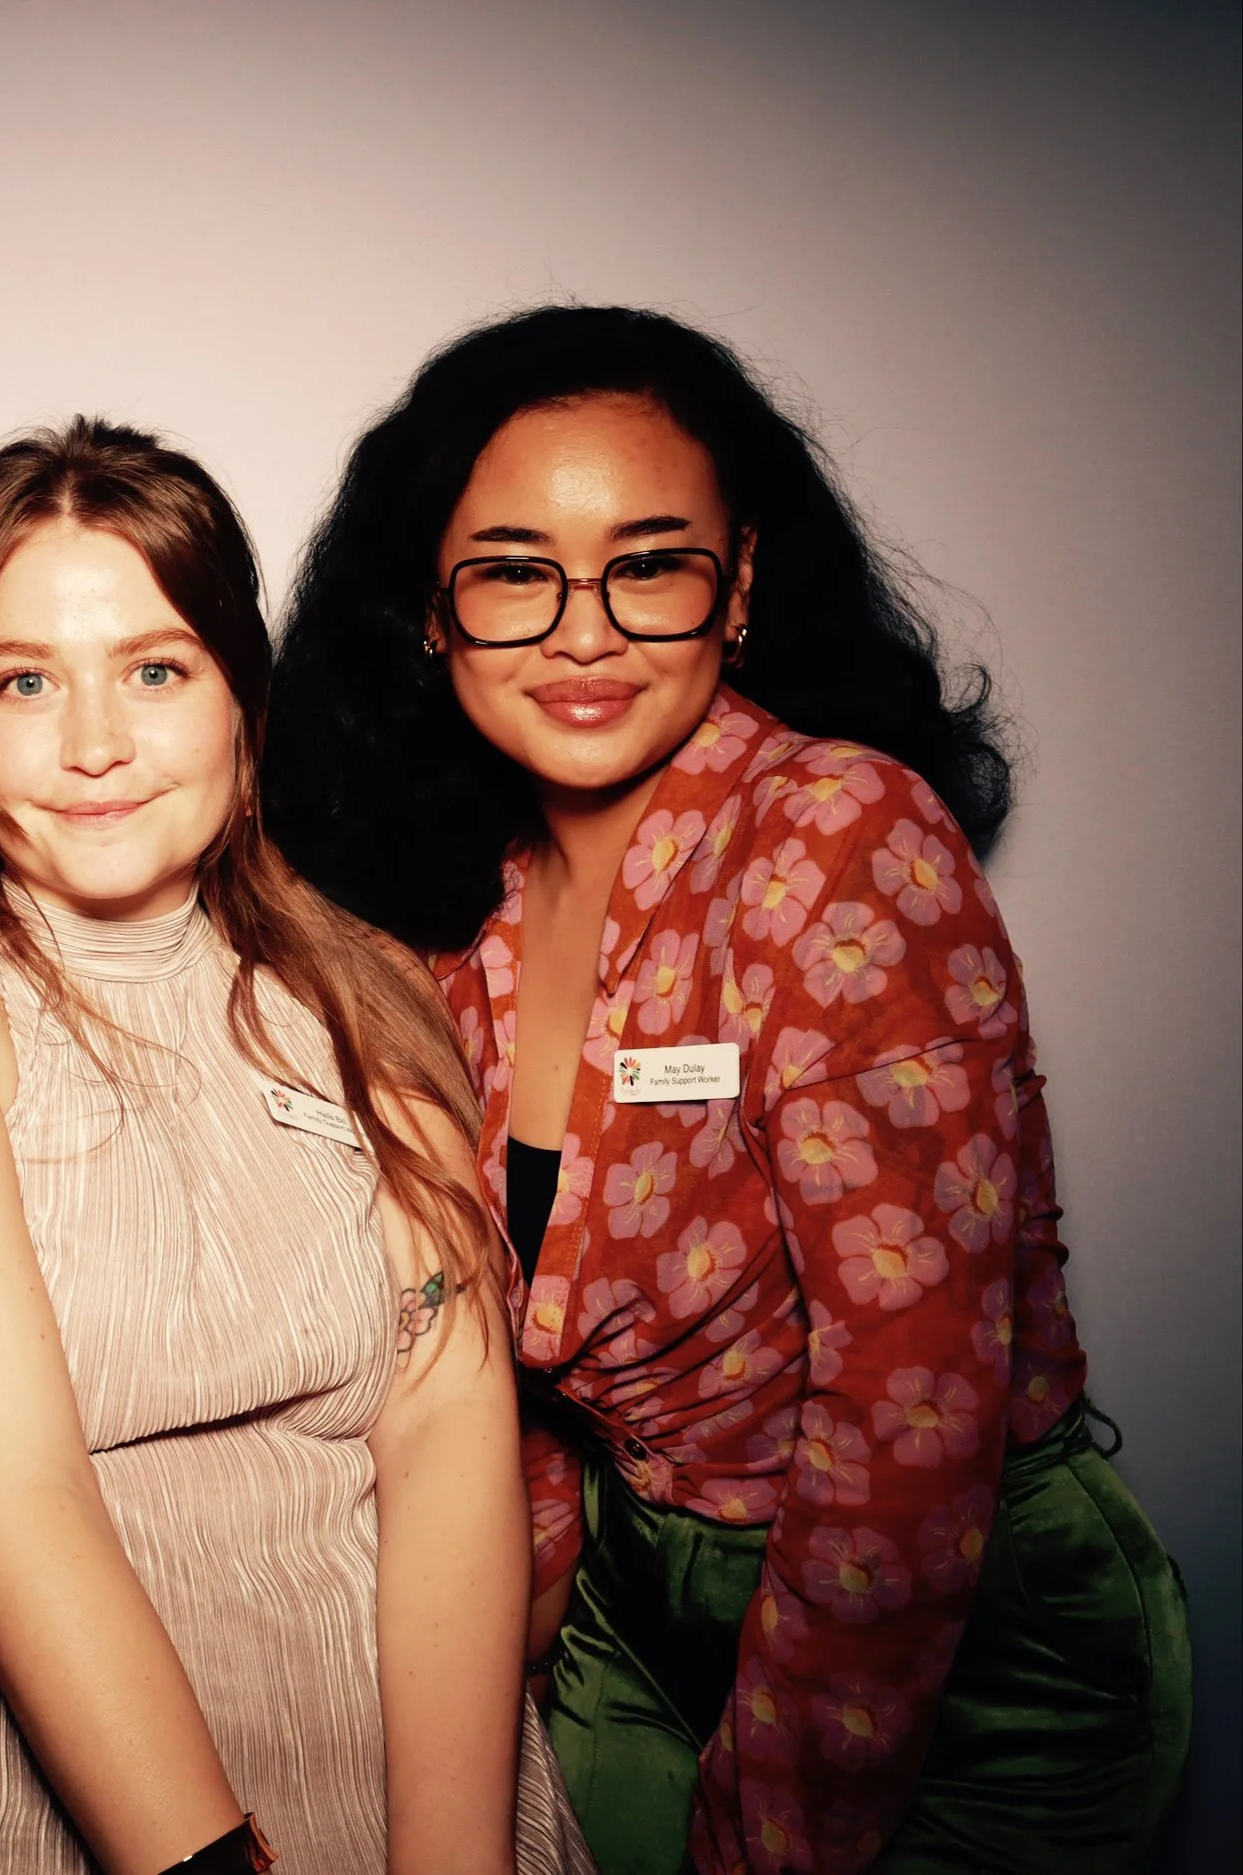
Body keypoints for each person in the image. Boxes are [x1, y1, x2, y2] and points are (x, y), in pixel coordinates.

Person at [263, 306, 1191, 1874]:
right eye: (511, 570)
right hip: (650, 1605)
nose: (583, 631)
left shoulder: (839, 836)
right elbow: (516, 1380)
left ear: (739, 582)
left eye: (647, 561)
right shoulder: (447, 915)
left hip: (969, 1646)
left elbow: (910, 1425)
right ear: (430, 610)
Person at [0, 418, 593, 1874]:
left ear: (240, 708)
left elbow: (450, 1448)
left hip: (389, 1794)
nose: (95, 744)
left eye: (154, 668)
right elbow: (14, 1500)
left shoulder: (366, 998)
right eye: (24, 680)